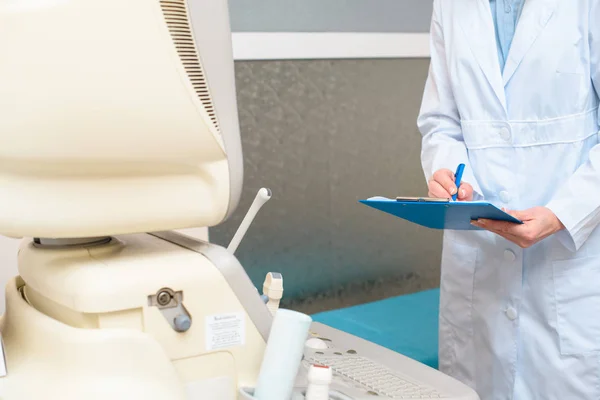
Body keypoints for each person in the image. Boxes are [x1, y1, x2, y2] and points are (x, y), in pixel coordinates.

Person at [417, 0, 600, 399]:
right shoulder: (451, 6)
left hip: (568, 262)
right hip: (477, 268)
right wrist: (446, 172)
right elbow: (441, 122)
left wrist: (561, 214)